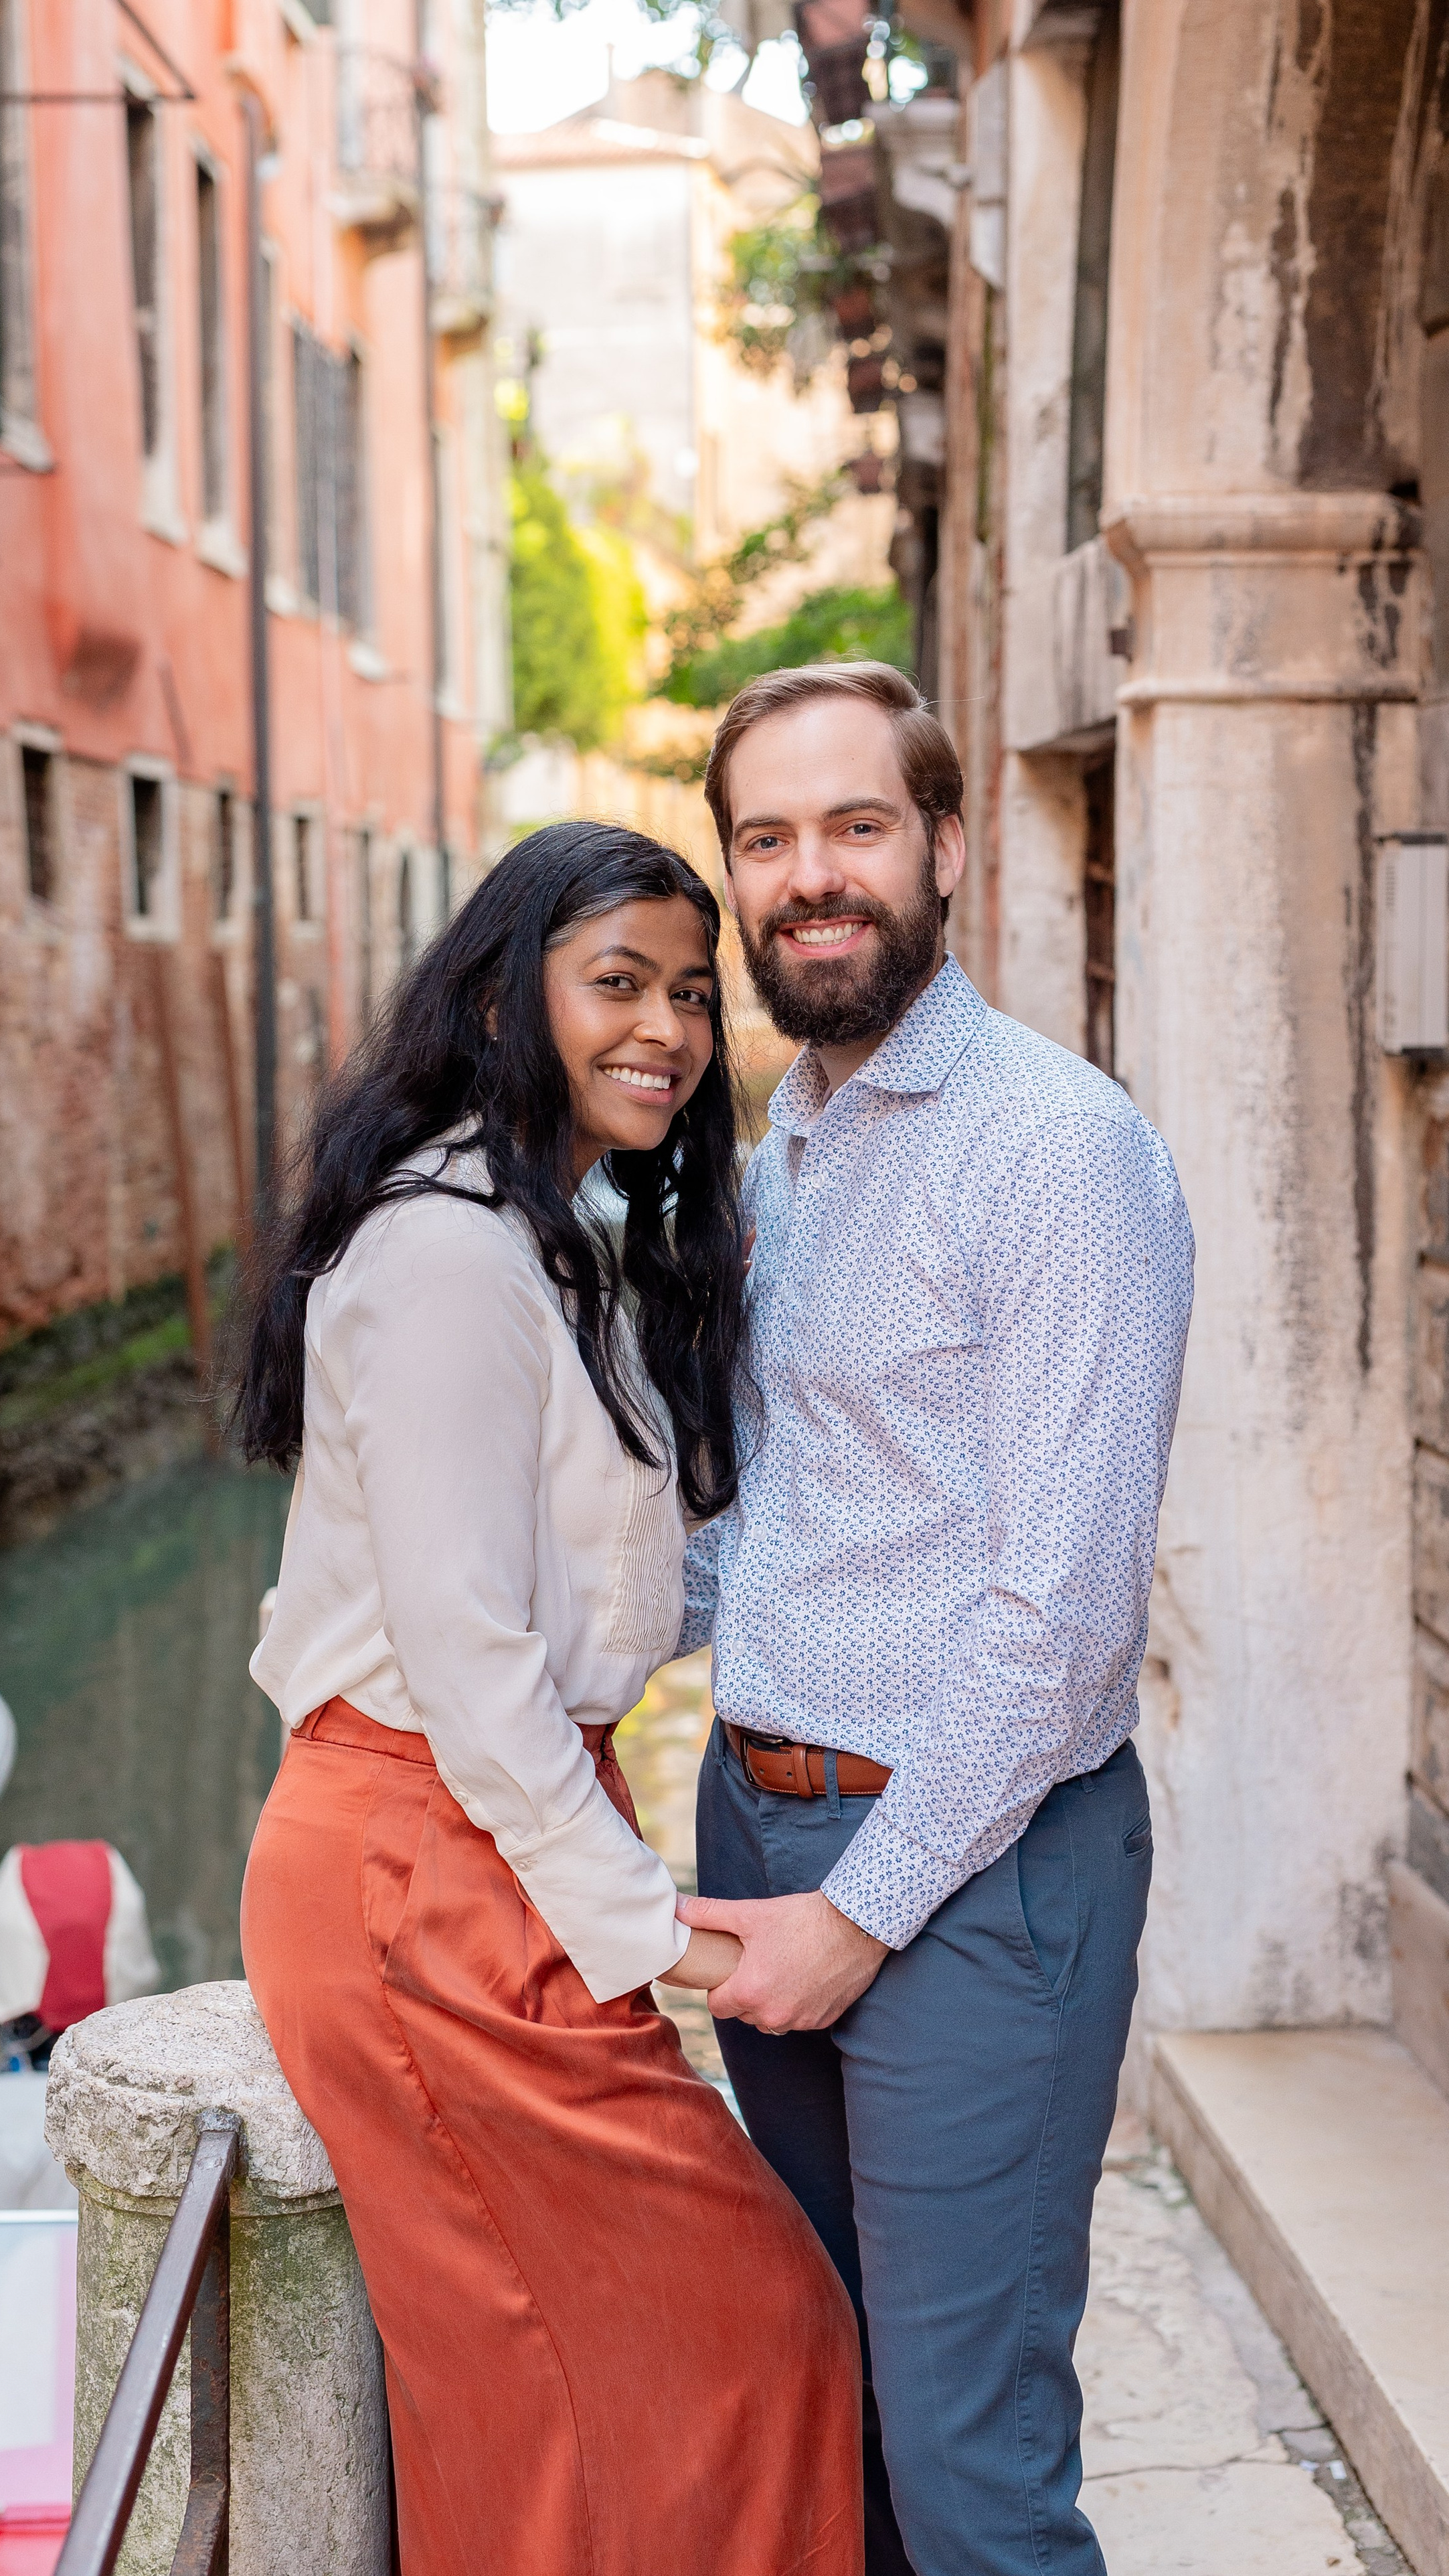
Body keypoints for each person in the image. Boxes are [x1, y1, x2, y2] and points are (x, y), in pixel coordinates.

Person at [236, 821, 862, 2576]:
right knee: (735, 2340)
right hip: (423, 1866)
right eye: (616, 984)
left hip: (480, 1843)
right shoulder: (447, 1257)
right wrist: (643, 1923)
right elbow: (463, 1651)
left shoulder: (555, 1242)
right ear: (509, 1000)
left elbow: (628, 1589)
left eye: (688, 989)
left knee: (578, 2386)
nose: (664, 1026)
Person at [676, 665, 1195, 2576]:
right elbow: (758, 1533)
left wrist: (859, 1913)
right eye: (767, 838)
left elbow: (1059, 1621)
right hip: (762, 1827)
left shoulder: (1055, 1152)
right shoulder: (781, 1158)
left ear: (947, 847)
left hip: (972, 1879)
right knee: (846, 2422)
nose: (811, 876)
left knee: (972, 2470)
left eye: (856, 827)